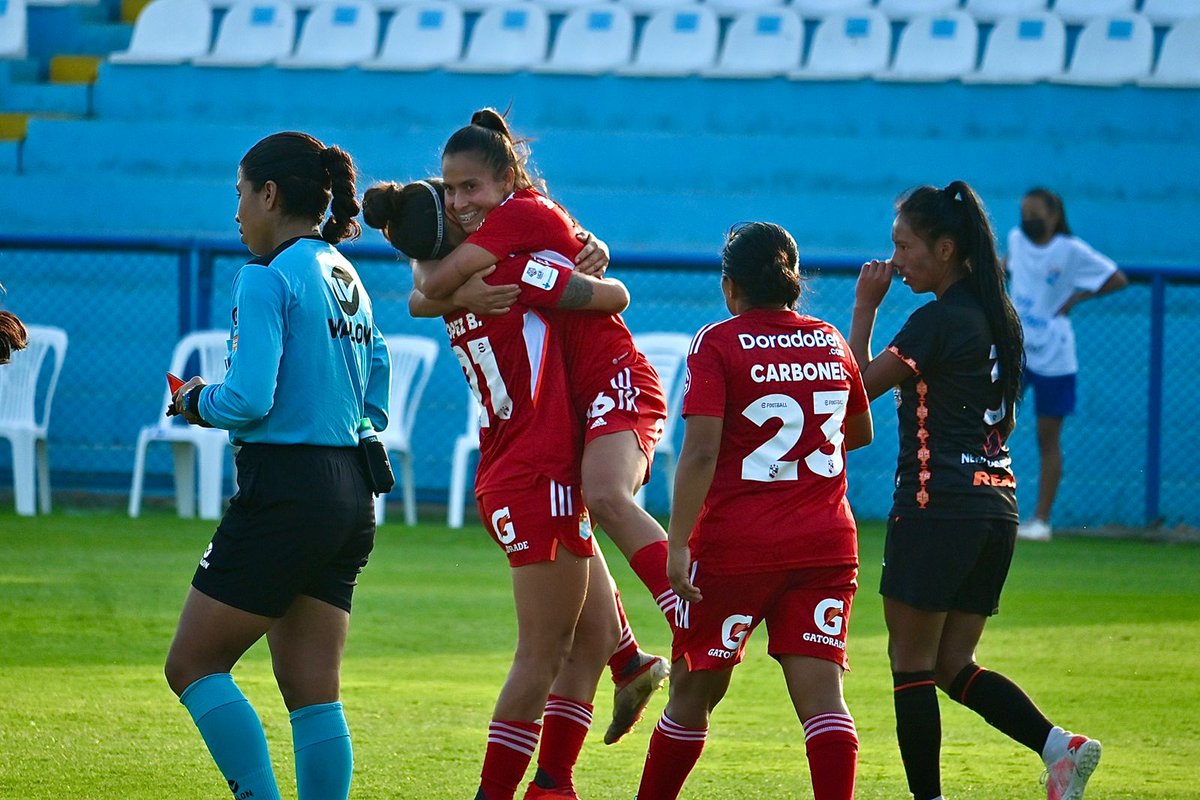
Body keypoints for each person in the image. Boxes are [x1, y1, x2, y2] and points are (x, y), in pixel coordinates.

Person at [374, 108, 674, 746]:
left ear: (507, 178)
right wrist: (583, 266)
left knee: (594, 541)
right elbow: (607, 291)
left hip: (562, 422)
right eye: (449, 193)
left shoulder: (511, 242)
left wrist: (578, 263)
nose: (459, 203)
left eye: (468, 188)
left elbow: (425, 291)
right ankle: (633, 666)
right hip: (544, 446)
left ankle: (671, 624)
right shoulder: (510, 259)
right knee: (564, 644)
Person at [849, 181, 1101, 800]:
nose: (896, 259)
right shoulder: (999, 319)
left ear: (945, 247)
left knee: (910, 667)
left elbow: (852, 397)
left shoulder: (936, 321)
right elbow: (1006, 420)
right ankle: (1058, 748)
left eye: (904, 246)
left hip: (938, 508)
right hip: (997, 509)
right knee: (947, 665)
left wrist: (864, 309)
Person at [163, 131, 390, 800]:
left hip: (287, 491)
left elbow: (248, 397)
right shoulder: (346, 275)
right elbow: (377, 381)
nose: (236, 212)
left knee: (194, 664)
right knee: (312, 693)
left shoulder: (265, 276)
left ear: (268, 194)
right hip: (352, 491)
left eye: (239, 194)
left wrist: (194, 400)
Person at [634, 222, 872, 800]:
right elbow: (857, 433)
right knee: (823, 700)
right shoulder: (830, 341)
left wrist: (681, 542)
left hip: (738, 547)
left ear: (729, 287)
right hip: (824, 543)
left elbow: (702, 450)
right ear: (793, 284)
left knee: (692, 689)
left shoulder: (717, 342)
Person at [1006, 188, 1128, 541]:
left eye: (1035, 213)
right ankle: (993, 506)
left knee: (1048, 437)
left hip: (1055, 354)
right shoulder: (1016, 240)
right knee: (993, 423)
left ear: (1054, 216)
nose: (1028, 219)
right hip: (1018, 348)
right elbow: (1009, 267)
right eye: (1024, 211)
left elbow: (1116, 277)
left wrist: (1075, 297)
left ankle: (1040, 521)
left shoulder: (1070, 251)